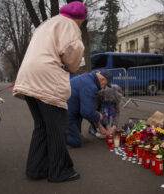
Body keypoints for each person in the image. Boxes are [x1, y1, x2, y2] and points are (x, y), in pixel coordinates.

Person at [12, 1, 87, 182]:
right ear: (80, 19)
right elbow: (72, 51)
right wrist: (75, 65)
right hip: (47, 77)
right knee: (58, 128)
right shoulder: (69, 25)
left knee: (42, 127)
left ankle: (35, 169)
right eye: (82, 22)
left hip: (28, 75)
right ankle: (59, 171)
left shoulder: (46, 24)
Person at [66, 70, 112, 148]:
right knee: (77, 142)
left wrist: (99, 126)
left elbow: (87, 110)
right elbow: (87, 112)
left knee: (77, 133)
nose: (104, 88)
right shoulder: (91, 87)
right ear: (102, 79)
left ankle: (66, 132)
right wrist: (98, 116)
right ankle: (55, 136)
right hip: (66, 113)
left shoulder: (87, 77)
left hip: (71, 110)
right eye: (105, 85)